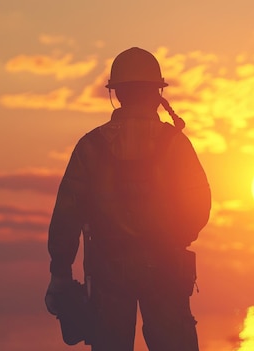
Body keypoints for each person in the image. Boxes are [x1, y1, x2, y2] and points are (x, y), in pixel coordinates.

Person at [45, 47, 211, 351]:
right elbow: (199, 206)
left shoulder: (90, 147)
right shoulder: (176, 144)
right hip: (167, 269)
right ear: (156, 93)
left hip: (108, 272)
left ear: (117, 93)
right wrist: (173, 239)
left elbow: (66, 216)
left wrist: (60, 273)